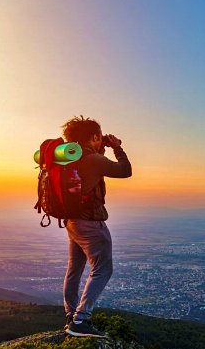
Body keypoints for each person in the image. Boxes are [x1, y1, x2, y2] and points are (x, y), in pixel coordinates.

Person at [60, 115, 132, 337]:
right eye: (99, 137)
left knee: (75, 270)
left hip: (72, 221)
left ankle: (71, 314)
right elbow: (125, 170)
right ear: (93, 136)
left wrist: (101, 147)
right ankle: (80, 321)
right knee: (103, 269)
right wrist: (117, 148)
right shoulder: (91, 160)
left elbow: (91, 170)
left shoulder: (72, 158)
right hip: (90, 224)